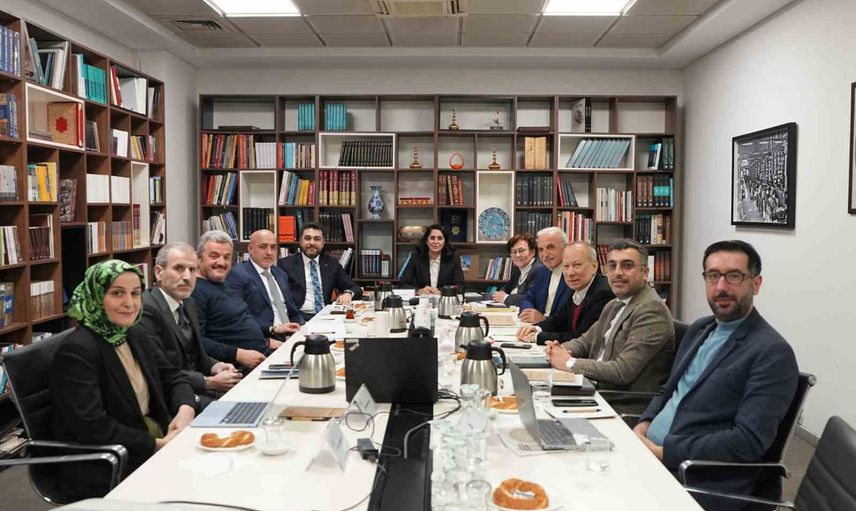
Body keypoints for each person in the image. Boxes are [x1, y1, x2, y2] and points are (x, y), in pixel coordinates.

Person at [633, 240, 798, 510]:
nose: (721, 287)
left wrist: (664, 452)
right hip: (647, 452)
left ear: (756, 284)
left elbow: (747, 441)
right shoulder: (700, 329)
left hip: (693, 478)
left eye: (734, 276)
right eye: (713, 276)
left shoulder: (771, 352)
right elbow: (669, 390)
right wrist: (644, 424)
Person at [50, 260, 196, 499]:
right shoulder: (77, 351)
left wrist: (185, 408)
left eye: (135, 293)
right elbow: (93, 426)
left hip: (152, 439)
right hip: (109, 461)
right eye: (117, 293)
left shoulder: (133, 332)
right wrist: (157, 446)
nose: (130, 303)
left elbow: (171, 375)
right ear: (96, 296)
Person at [544, 239, 674, 393]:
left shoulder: (652, 310)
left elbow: (622, 371)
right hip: (593, 387)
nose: (618, 272)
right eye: (612, 266)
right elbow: (584, 343)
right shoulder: (614, 304)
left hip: (619, 400)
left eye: (627, 265)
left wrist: (570, 363)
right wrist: (556, 350)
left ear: (645, 272)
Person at [131, 243, 242, 411]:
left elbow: (197, 355)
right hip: (172, 399)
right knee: (239, 412)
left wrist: (216, 366)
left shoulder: (188, 303)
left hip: (196, 389)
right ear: (159, 272)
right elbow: (159, 371)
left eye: (192, 269)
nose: (187, 277)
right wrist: (208, 382)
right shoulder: (147, 309)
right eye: (179, 268)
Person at [191, 230, 276, 370]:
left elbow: (236, 326)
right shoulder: (196, 291)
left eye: (226, 257)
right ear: (198, 258)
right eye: (214, 256)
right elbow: (196, 342)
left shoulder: (224, 285)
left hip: (264, 354)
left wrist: (269, 336)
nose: (221, 262)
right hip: (238, 368)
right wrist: (238, 354)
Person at [516, 242, 614, 344]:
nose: (570, 273)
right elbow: (560, 320)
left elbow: (580, 338)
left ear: (594, 266)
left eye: (577, 265)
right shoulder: (576, 288)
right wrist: (536, 328)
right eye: (566, 266)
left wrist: (537, 337)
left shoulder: (603, 294)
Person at [228, 229, 304, 338]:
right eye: (263, 247)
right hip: (266, 336)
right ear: (250, 249)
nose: (269, 252)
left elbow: (292, 309)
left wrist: (302, 327)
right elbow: (239, 318)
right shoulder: (238, 275)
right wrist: (272, 331)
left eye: (273, 247)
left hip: (292, 333)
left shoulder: (280, 274)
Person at [279, 223, 362, 320]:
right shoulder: (285, 264)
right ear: (300, 241)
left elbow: (355, 288)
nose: (312, 243)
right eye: (307, 238)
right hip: (298, 317)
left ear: (323, 243)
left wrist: (348, 293)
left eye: (317, 239)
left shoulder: (331, 264)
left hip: (325, 316)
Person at [517, 227, 570, 323]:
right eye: (541, 249)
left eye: (550, 247)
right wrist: (528, 312)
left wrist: (543, 319)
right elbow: (527, 299)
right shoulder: (542, 272)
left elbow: (569, 319)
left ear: (566, 248)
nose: (544, 254)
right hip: (535, 326)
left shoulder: (573, 275)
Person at [399, 223, 465, 295]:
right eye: (432, 238)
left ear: (445, 242)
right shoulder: (416, 257)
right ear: (426, 241)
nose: (435, 242)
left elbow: (460, 287)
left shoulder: (453, 258)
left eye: (440, 238)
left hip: (444, 300)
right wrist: (418, 291)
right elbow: (403, 284)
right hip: (422, 300)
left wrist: (441, 291)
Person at [490, 233, 542, 306]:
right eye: (514, 252)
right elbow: (508, 286)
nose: (517, 255)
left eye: (521, 251)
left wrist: (505, 298)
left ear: (532, 252)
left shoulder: (539, 270)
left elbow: (532, 298)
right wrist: (502, 292)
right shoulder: (517, 268)